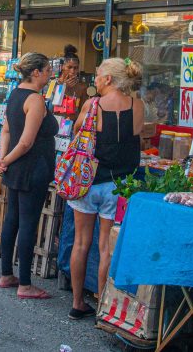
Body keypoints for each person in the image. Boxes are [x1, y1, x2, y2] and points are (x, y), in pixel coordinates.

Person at [68, 57, 144, 320]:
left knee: (80, 243)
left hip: (89, 182)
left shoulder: (93, 105)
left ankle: (78, 302)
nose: (95, 81)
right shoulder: (137, 106)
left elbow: (78, 131)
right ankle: (103, 304)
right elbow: (135, 137)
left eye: (98, 75)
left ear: (108, 79)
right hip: (119, 185)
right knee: (105, 248)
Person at [0, 52, 58, 301]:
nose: (51, 73)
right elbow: (28, 142)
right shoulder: (35, 100)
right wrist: (5, 160)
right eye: (48, 69)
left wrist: (3, 158)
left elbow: (7, 131)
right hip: (32, 166)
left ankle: (7, 274)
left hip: (16, 166)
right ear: (36, 72)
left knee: (13, 219)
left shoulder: (14, 95)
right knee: (29, 222)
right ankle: (26, 284)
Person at [59, 44, 88, 108]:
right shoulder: (54, 84)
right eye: (69, 67)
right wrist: (64, 88)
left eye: (75, 68)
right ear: (62, 67)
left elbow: (83, 110)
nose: (72, 71)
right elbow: (51, 108)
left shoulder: (82, 87)